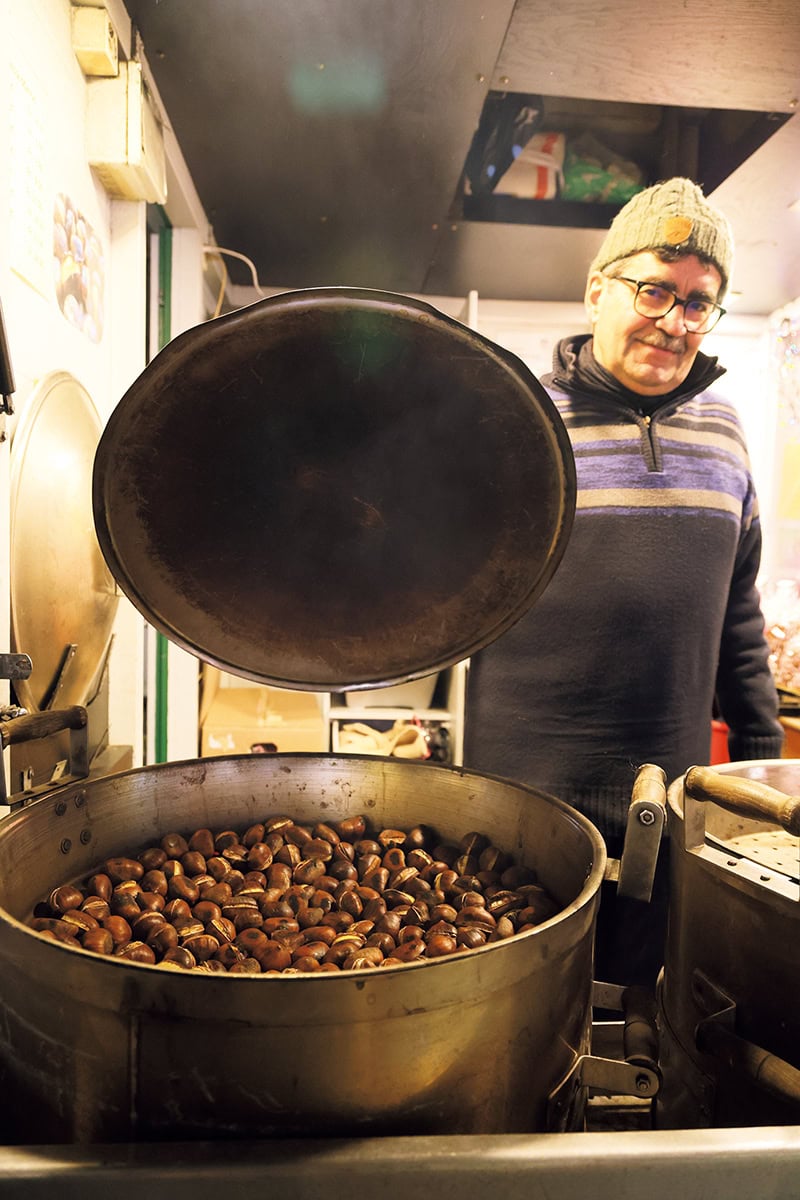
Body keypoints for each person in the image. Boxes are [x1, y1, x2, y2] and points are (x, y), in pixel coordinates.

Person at [463, 177, 784, 988]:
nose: (674, 322)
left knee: (646, 1011)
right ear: (597, 288)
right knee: (516, 1009)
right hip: (522, 796)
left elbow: (738, 614)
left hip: (671, 798)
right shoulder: (518, 420)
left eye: (697, 303)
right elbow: (444, 589)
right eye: (655, 290)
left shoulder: (728, 432)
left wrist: (755, 763)